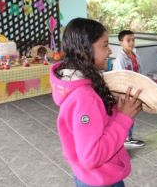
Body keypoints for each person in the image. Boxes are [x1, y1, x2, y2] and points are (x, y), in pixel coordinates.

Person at [50, 18, 142, 187]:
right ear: (85, 49)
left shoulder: (83, 81)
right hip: (99, 180)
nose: (109, 51)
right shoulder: (84, 97)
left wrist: (115, 108)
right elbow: (92, 156)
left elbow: (97, 123)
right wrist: (123, 118)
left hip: (93, 176)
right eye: (105, 45)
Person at [113, 30, 145, 147]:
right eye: (128, 40)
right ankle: (125, 138)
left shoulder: (134, 55)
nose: (131, 43)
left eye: (133, 40)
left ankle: (127, 137)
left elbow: (140, 72)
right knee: (125, 114)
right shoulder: (120, 59)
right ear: (121, 42)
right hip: (125, 92)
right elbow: (122, 78)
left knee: (131, 114)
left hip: (134, 90)